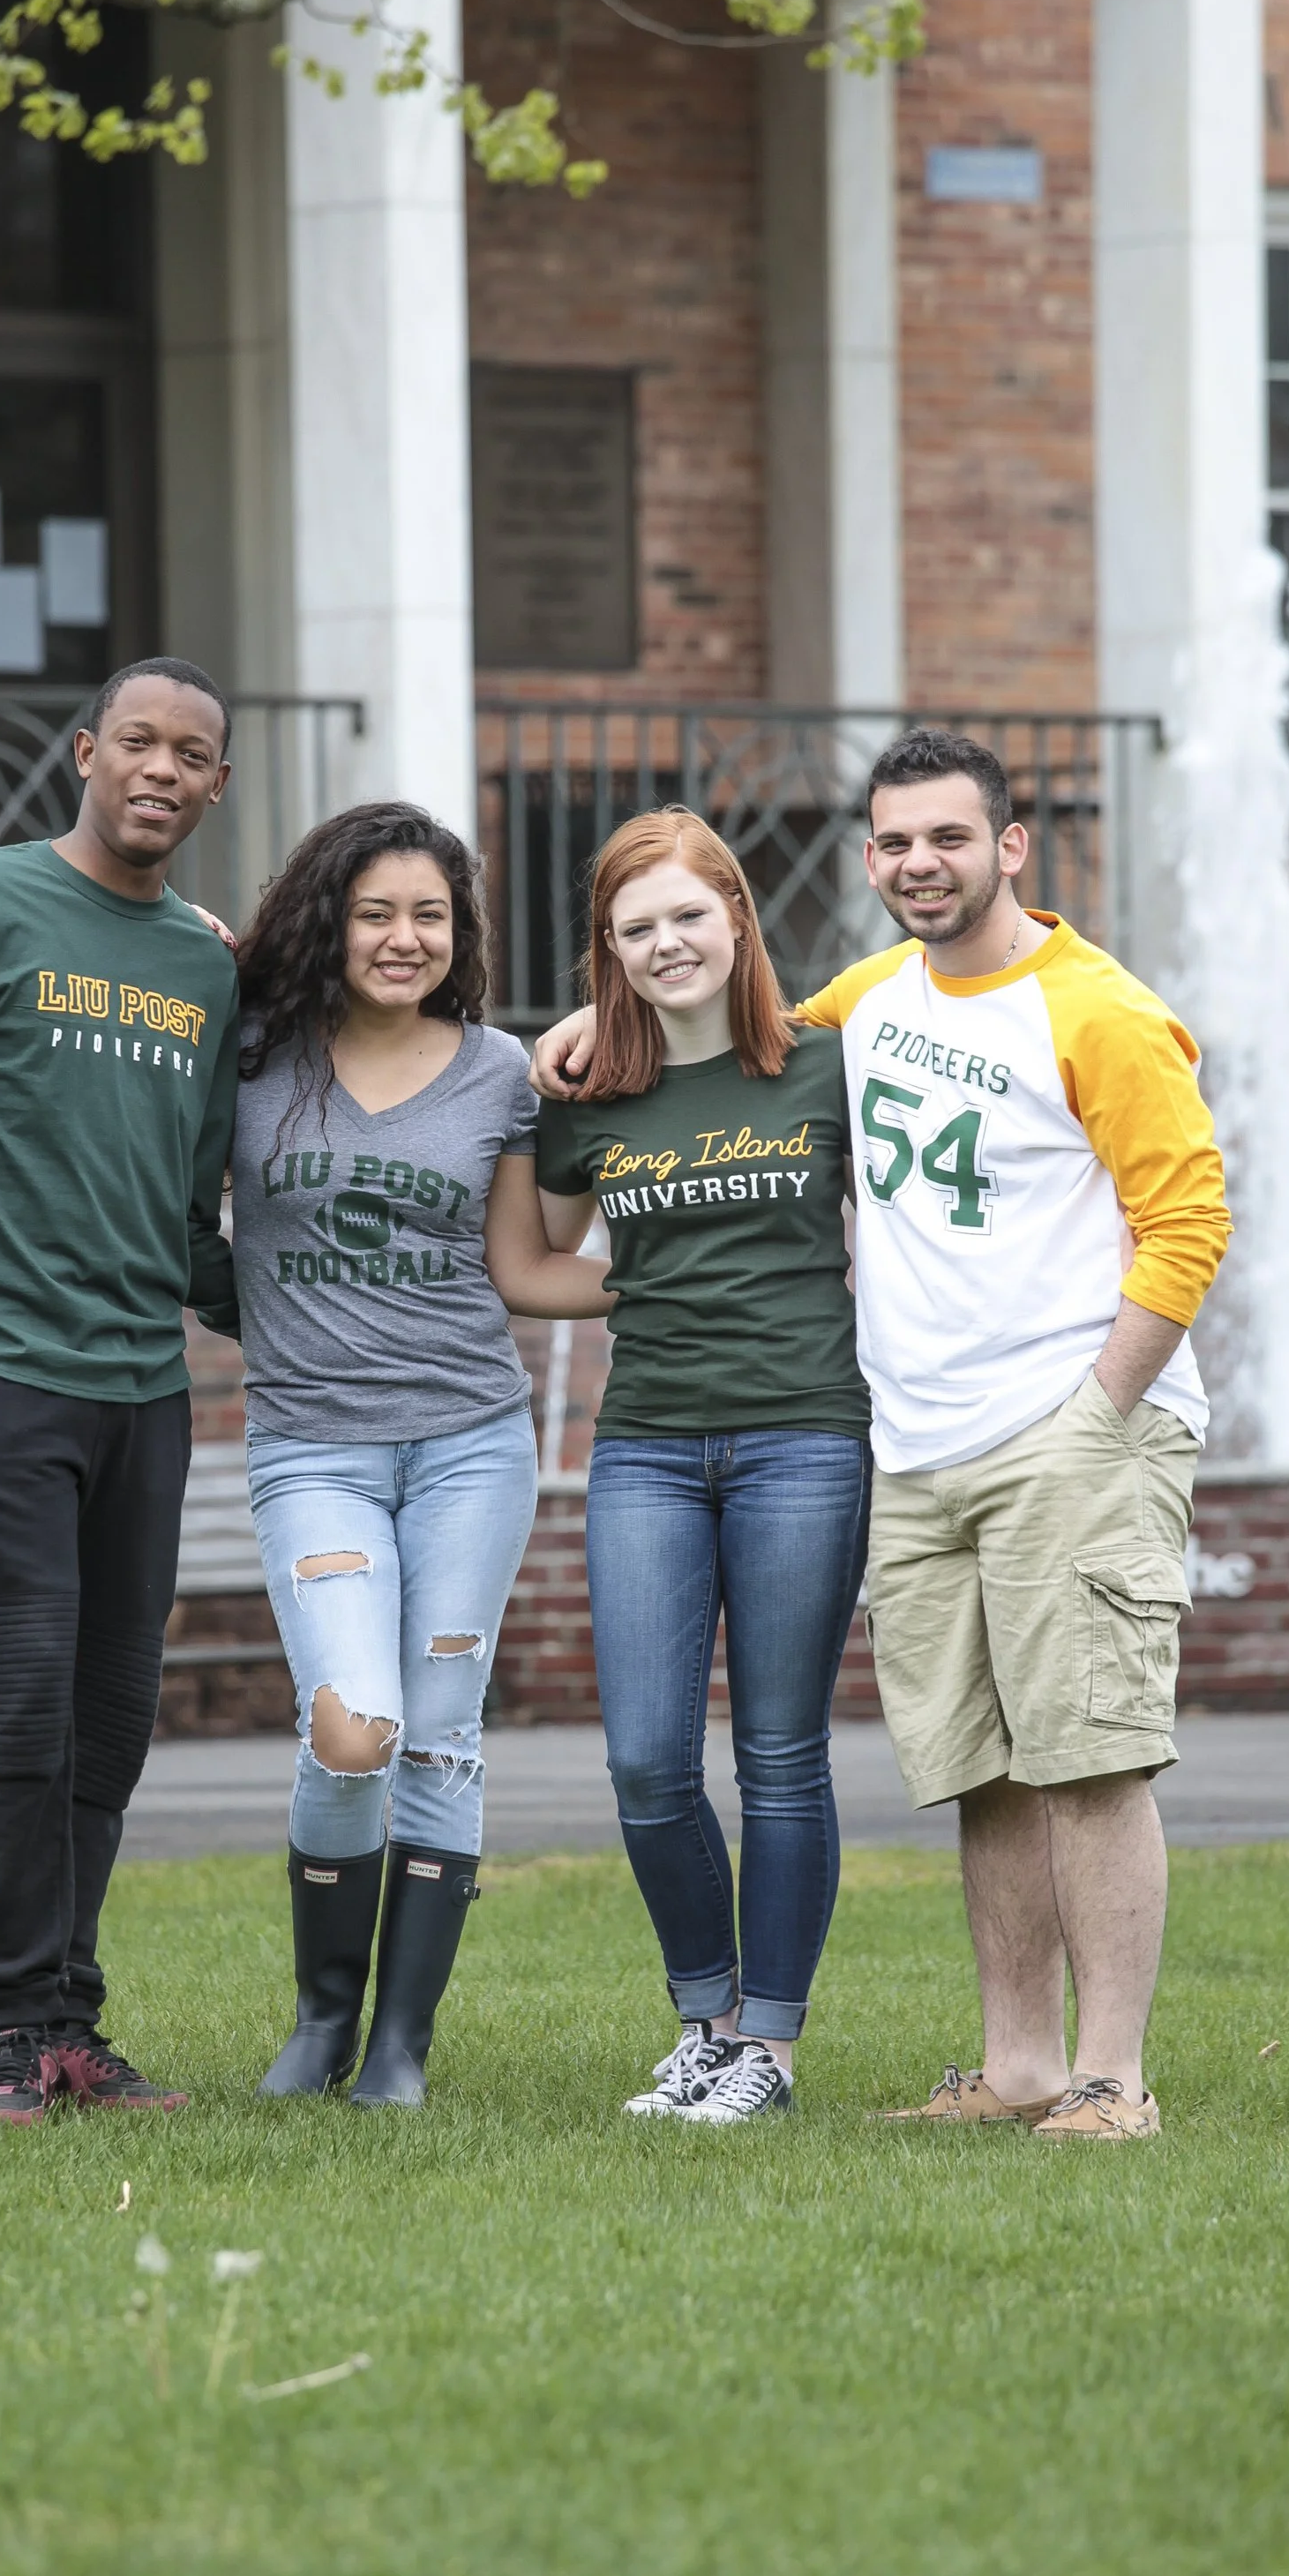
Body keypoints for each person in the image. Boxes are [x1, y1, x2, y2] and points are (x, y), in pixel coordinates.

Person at [532, 731, 1231, 2142]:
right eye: (896, 843)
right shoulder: (875, 1002)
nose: (922, 863)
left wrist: (1098, 1416)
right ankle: (1018, 2062)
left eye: (950, 839)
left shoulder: (1097, 1010)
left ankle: (1113, 2078)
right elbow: (730, 1031)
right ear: (867, 860)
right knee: (980, 1763)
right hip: (918, 1444)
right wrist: (568, 1028)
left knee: (1088, 1754)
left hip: (1067, 1427)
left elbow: (1191, 1223)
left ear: (1011, 847)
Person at [0, 656, 241, 2125]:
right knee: (16, 1714)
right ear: (85, 751)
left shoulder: (207, 965)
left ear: (213, 786)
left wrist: (321, 1308)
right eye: (134, 739)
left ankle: (73, 2020)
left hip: (145, 1396)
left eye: (189, 752)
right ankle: (11, 2029)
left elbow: (199, 1214)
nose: (158, 767)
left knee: (110, 1723)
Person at [533, 809, 873, 2123]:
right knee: (648, 1761)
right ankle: (706, 2020)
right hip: (649, 1450)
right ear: (607, 955)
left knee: (783, 1753)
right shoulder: (584, 1096)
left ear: (736, 913)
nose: (666, 942)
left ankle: (770, 2051)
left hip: (804, 1436)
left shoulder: (826, 1068)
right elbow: (538, 1258)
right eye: (635, 928)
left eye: (687, 914)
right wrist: (650, 1290)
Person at [229, 803, 566, 2108]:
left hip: (474, 1447)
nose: (403, 937)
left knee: (440, 1735)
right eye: (376, 911)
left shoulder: (500, 1073)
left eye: (430, 914)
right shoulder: (251, 1057)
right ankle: (322, 2015)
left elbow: (522, 1264)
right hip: (314, 1449)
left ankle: (398, 2046)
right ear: (330, 916)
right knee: (351, 1725)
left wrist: (675, 1288)